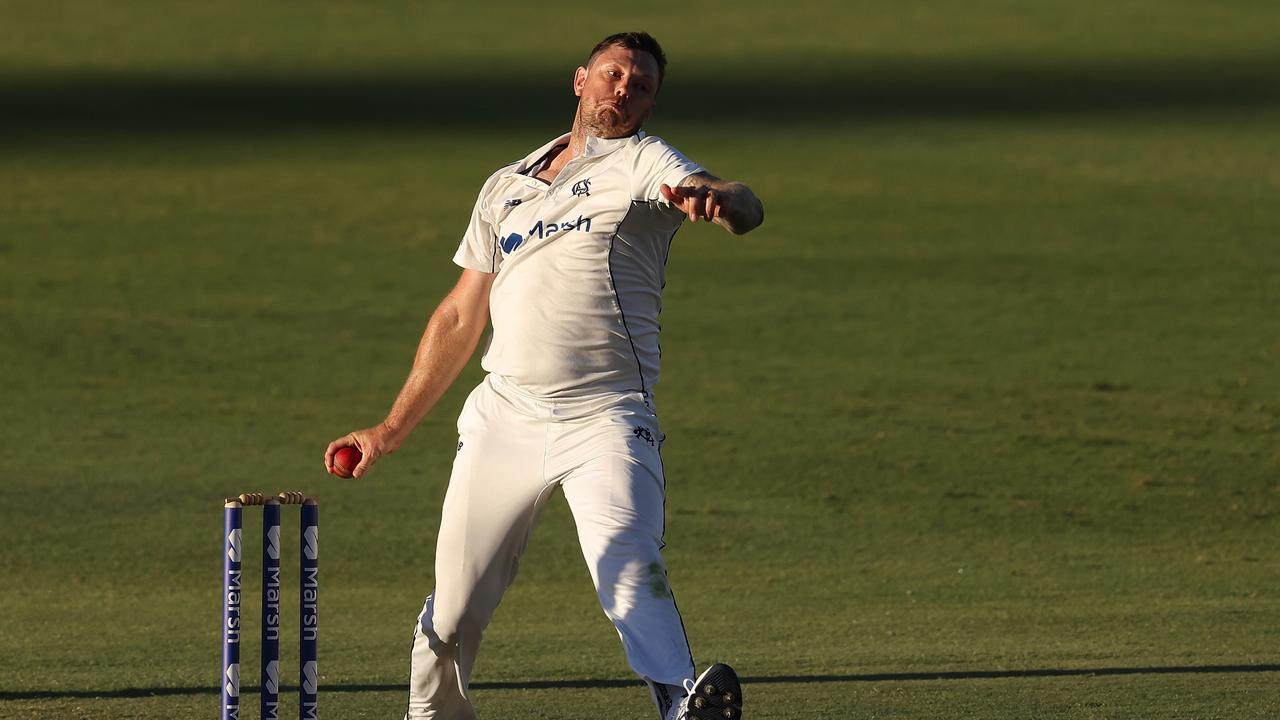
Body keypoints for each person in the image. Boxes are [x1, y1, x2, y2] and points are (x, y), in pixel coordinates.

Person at [324, 31, 764, 720]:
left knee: (629, 566)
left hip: (607, 420)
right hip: (506, 416)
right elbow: (460, 317)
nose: (625, 89)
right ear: (581, 80)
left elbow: (736, 198)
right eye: (614, 74)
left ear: (650, 103)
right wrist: (388, 429)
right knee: (456, 608)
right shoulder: (505, 186)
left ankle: (683, 704)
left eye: (641, 84)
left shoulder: (646, 162)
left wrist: (724, 201)